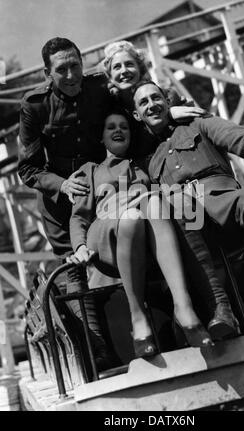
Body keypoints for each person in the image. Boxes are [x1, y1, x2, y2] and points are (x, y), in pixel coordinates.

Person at [132, 80, 244, 346]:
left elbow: (237, 135)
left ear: (167, 101)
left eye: (156, 97)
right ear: (137, 115)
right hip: (188, 227)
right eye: (144, 102)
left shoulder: (198, 123)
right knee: (178, 205)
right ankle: (221, 309)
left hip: (225, 205)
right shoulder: (142, 156)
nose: (152, 104)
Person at [102, 40, 239, 340]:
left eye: (129, 64)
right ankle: (183, 317)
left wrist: (172, 112)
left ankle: (220, 311)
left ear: (141, 68)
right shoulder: (112, 113)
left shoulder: (166, 97)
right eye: (117, 67)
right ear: (109, 76)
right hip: (141, 185)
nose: (124, 71)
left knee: (189, 216)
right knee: (155, 219)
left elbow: (198, 133)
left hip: (176, 176)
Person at [67, 109, 214, 358]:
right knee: (133, 214)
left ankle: (183, 307)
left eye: (124, 126)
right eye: (111, 127)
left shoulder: (144, 167)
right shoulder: (89, 171)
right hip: (105, 235)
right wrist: (79, 248)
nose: (118, 130)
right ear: (101, 137)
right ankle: (138, 315)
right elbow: (78, 217)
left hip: (144, 235)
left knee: (151, 205)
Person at [17, 37, 115, 368]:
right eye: (62, 69)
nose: (71, 75)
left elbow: (137, 100)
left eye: (75, 65)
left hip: (105, 188)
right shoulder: (35, 106)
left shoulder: (100, 88)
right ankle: (97, 349)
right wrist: (61, 184)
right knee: (75, 269)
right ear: (48, 72)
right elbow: (28, 169)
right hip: (59, 202)